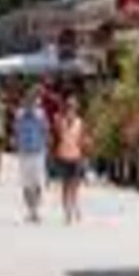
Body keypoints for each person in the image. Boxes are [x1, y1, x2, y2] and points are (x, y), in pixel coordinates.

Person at [14, 89, 50, 223]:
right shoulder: (19, 115)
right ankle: (30, 209)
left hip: (37, 152)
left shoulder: (41, 115)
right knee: (26, 183)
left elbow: (46, 131)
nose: (30, 103)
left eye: (32, 101)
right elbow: (16, 131)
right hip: (24, 153)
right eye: (28, 101)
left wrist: (46, 148)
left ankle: (35, 209)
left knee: (38, 182)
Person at [53, 95, 88, 224]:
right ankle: (67, 212)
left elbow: (82, 139)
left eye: (73, 107)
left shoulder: (80, 122)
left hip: (76, 156)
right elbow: (56, 138)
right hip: (63, 156)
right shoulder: (60, 121)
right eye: (69, 107)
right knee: (65, 186)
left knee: (74, 185)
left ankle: (73, 206)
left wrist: (84, 153)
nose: (71, 109)